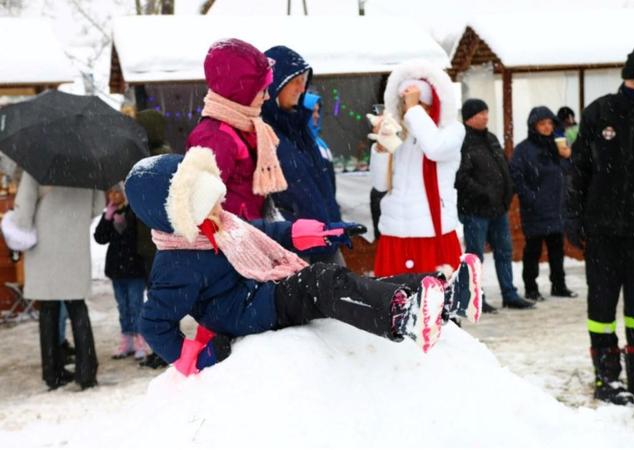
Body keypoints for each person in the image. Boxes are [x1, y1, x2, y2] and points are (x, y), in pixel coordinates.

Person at [125, 147, 483, 375]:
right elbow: (155, 323)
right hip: (246, 310)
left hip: (262, 290)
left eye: (216, 199)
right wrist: (196, 358)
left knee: (334, 280)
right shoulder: (176, 264)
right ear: (182, 215)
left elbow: (269, 231)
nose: (220, 208)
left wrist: (323, 233)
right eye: (208, 204)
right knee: (322, 282)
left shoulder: (221, 225)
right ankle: (400, 316)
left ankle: (437, 295)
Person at [567, 45, 634, 405]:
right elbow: (578, 170)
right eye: (633, 79)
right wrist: (573, 216)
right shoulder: (599, 112)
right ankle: (606, 377)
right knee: (602, 308)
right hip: (603, 231)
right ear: (624, 75)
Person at [7, 173, 105, 390]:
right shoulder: (87, 166)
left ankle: (53, 372)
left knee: (49, 309)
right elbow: (98, 206)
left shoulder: (37, 166)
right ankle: (86, 371)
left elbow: (23, 213)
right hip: (74, 247)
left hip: (45, 247)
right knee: (78, 307)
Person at [369, 60, 465, 277]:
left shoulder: (452, 131)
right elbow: (380, 184)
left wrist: (413, 111)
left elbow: (434, 148)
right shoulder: (400, 135)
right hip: (396, 235)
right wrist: (381, 146)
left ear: (431, 105)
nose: (407, 109)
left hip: (433, 235)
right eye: (404, 103)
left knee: (434, 305)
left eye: (416, 103)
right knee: (394, 304)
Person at [186, 38, 287, 221]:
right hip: (232, 243)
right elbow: (201, 212)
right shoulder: (215, 137)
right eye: (262, 89)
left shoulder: (243, 127)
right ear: (241, 91)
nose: (267, 97)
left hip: (248, 236)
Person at [262, 46, 343, 265]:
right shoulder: (264, 132)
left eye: (303, 80)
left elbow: (319, 189)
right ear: (275, 83)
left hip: (324, 241)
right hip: (294, 250)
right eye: (295, 80)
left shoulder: (300, 128)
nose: (301, 87)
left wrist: (334, 224)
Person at [455, 99, 532, 311]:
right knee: (475, 256)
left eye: (486, 112)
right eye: (481, 113)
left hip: (499, 208)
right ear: (469, 117)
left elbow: (503, 167)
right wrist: (484, 193)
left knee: (505, 252)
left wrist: (509, 190)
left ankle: (509, 294)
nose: (485, 117)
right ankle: (475, 297)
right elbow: (461, 177)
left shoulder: (491, 138)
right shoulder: (461, 141)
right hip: (475, 210)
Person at [510, 106, 576, 302]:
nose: (547, 127)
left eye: (550, 123)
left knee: (557, 250)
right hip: (535, 209)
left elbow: (566, 171)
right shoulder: (523, 150)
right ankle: (531, 288)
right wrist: (531, 198)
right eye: (542, 124)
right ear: (533, 126)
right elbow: (516, 177)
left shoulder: (557, 146)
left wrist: (567, 156)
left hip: (556, 207)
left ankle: (559, 285)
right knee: (533, 250)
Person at [94, 183, 149, 361]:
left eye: (117, 192)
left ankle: (141, 340)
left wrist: (125, 220)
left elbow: (138, 235)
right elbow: (100, 238)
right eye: (110, 193)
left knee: (136, 306)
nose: (113, 196)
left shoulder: (135, 210)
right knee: (123, 307)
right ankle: (127, 340)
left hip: (134, 269)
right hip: (117, 269)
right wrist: (107, 218)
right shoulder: (109, 214)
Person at [134, 109, 171, 369]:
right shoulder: (170, 157)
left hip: (152, 240)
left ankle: (162, 350)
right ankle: (164, 348)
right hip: (168, 238)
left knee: (158, 297)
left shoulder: (145, 161)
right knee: (166, 294)